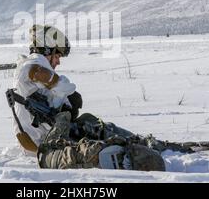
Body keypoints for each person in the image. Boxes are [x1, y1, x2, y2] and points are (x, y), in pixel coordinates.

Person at [10, 24, 165, 171]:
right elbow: (37, 73)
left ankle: (143, 144)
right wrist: (68, 90)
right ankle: (127, 157)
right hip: (44, 147)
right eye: (57, 56)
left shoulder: (32, 67)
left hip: (52, 137)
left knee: (92, 123)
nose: (58, 61)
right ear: (47, 51)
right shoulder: (31, 65)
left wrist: (65, 104)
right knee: (82, 153)